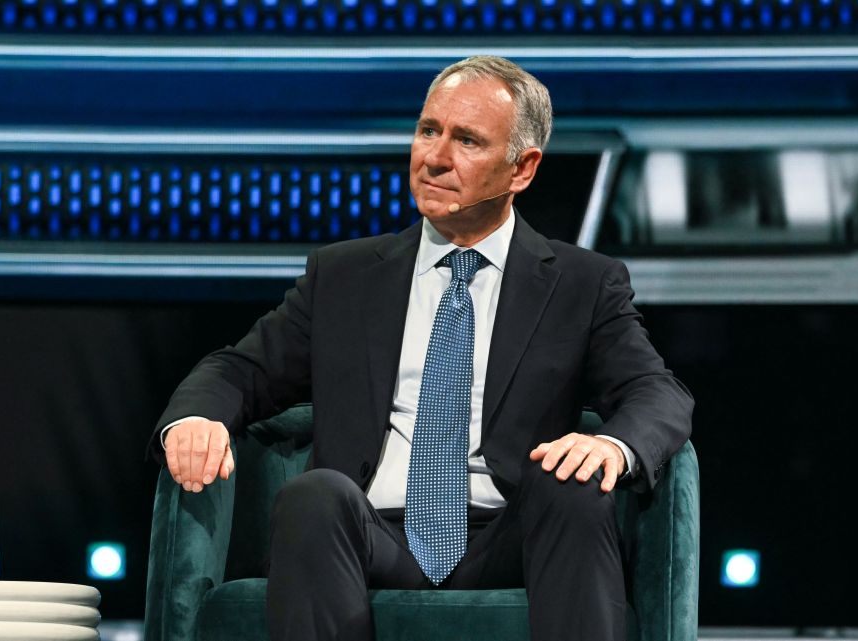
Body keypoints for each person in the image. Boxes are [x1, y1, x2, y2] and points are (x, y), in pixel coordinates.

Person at [148, 55, 693, 641]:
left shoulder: (582, 284)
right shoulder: (345, 276)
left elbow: (656, 392)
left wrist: (613, 444)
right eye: (428, 130)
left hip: (513, 535)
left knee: (573, 486)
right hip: (367, 536)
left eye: (467, 140)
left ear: (522, 169)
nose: (434, 157)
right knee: (313, 494)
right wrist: (198, 416)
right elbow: (240, 369)